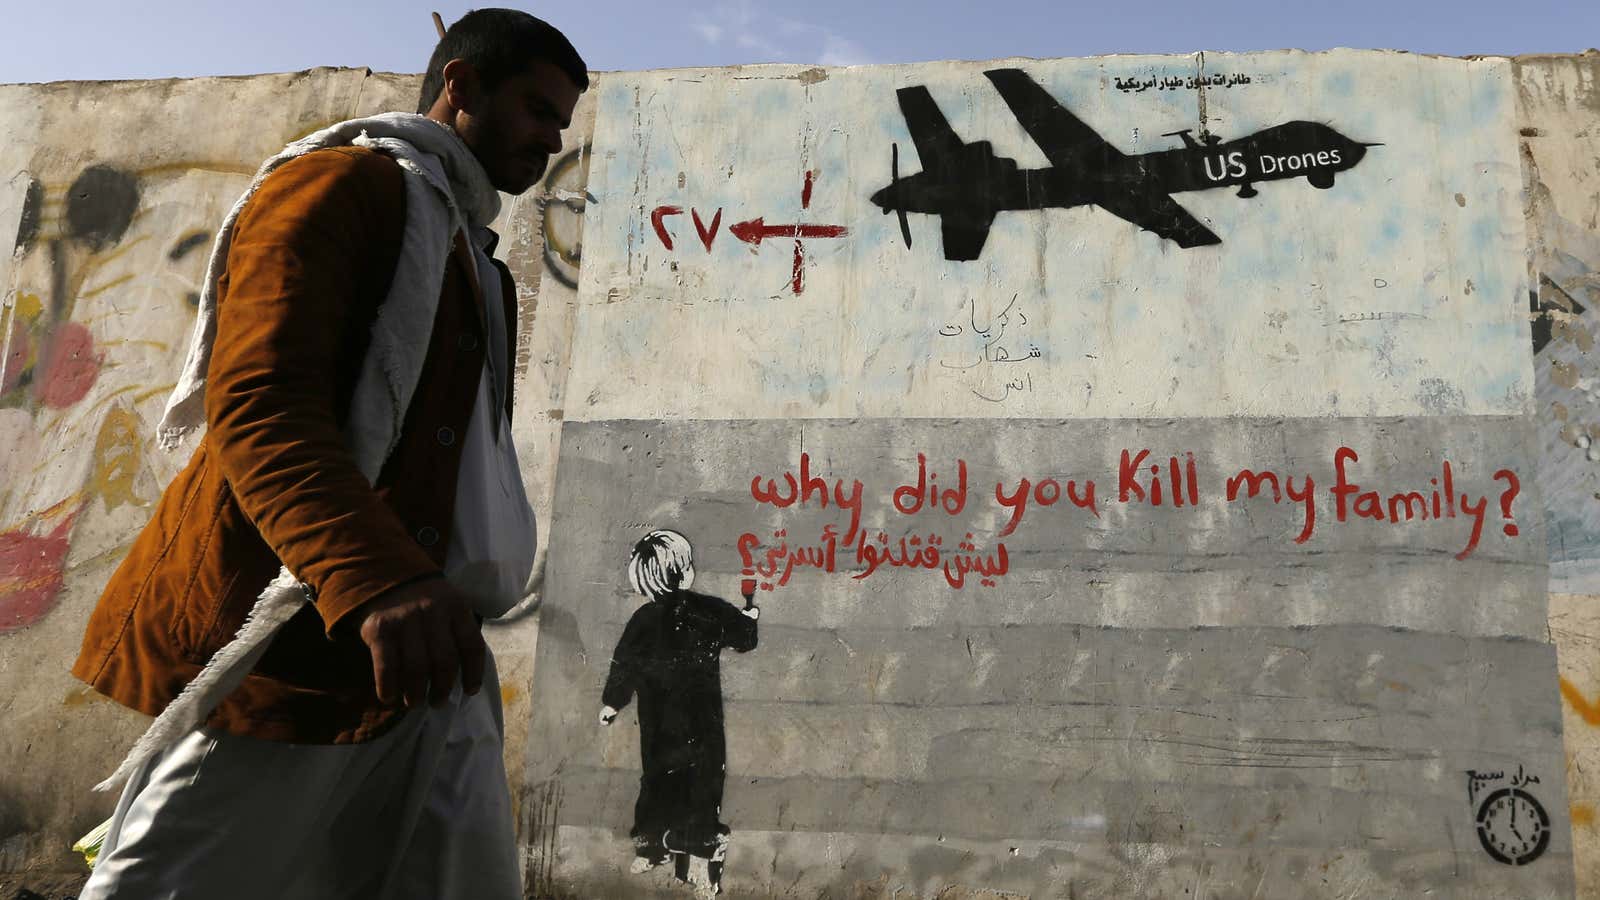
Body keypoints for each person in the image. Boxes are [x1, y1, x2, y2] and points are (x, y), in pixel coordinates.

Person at [69, 10, 585, 899]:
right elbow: (261, 406)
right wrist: (378, 578)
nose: (550, 139)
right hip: (295, 646)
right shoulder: (340, 188)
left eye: (561, 125)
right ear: (460, 87)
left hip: (432, 662)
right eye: (537, 109)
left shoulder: (472, 252)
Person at [600, 530, 760, 897]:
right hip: (703, 725)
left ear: (643, 577)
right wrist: (750, 615)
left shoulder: (642, 620)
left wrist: (612, 702)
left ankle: (652, 845)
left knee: (657, 781)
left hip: (658, 727)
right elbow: (744, 637)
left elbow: (624, 665)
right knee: (702, 791)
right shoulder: (708, 610)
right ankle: (698, 867)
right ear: (685, 571)